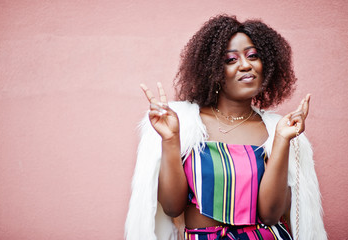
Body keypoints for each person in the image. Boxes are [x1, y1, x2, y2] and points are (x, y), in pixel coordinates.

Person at [125, 15, 326, 240]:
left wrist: (281, 140)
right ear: (213, 71)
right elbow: (172, 207)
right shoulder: (186, 124)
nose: (245, 65)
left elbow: (270, 215)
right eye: (231, 59)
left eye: (253, 56)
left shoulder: (275, 130)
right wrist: (171, 139)